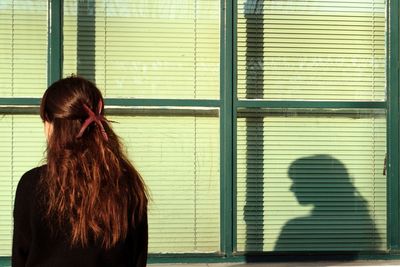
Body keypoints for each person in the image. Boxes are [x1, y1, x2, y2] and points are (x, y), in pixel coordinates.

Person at [12, 76, 148, 267]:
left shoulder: (32, 184)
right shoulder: (127, 183)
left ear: (52, 125)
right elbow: (137, 257)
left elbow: (20, 258)